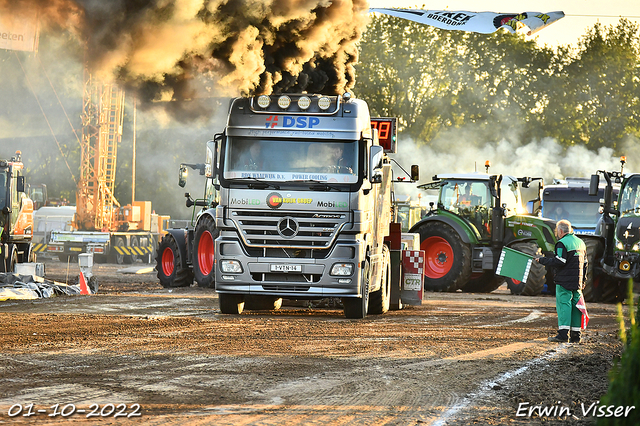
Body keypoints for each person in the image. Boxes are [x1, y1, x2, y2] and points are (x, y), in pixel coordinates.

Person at [536, 219, 587, 343]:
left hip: (564, 281)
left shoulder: (562, 243)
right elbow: (585, 264)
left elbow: (560, 261)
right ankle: (576, 335)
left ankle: (563, 334)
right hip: (578, 281)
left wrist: (542, 260)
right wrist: (583, 279)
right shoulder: (580, 243)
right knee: (576, 307)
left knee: (564, 304)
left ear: (560, 231)